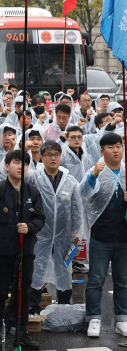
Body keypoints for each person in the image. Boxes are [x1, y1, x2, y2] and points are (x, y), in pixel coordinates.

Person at [0, 150, 44, 351]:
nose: (20, 167)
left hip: (25, 252)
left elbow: (40, 218)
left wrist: (30, 228)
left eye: (24, 164)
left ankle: (22, 331)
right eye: (16, 162)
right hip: (1, 251)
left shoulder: (32, 191)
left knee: (23, 294)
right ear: (7, 166)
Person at [25, 141, 83, 316]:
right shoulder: (34, 177)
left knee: (64, 269)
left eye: (56, 155)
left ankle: (64, 306)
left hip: (63, 234)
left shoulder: (70, 180)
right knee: (37, 268)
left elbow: (77, 208)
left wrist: (77, 231)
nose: (53, 158)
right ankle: (33, 308)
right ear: (42, 157)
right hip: (40, 233)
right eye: (49, 155)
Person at [79, 133, 127, 338]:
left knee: (122, 280)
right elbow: (83, 192)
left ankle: (122, 319)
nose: (116, 150)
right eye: (110, 147)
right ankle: (94, 318)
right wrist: (93, 176)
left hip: (123, 236)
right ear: (102, 151)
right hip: (101, 235)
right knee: (96, 280)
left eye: (119, 146)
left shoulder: (126, 172)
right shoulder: (97, 170)